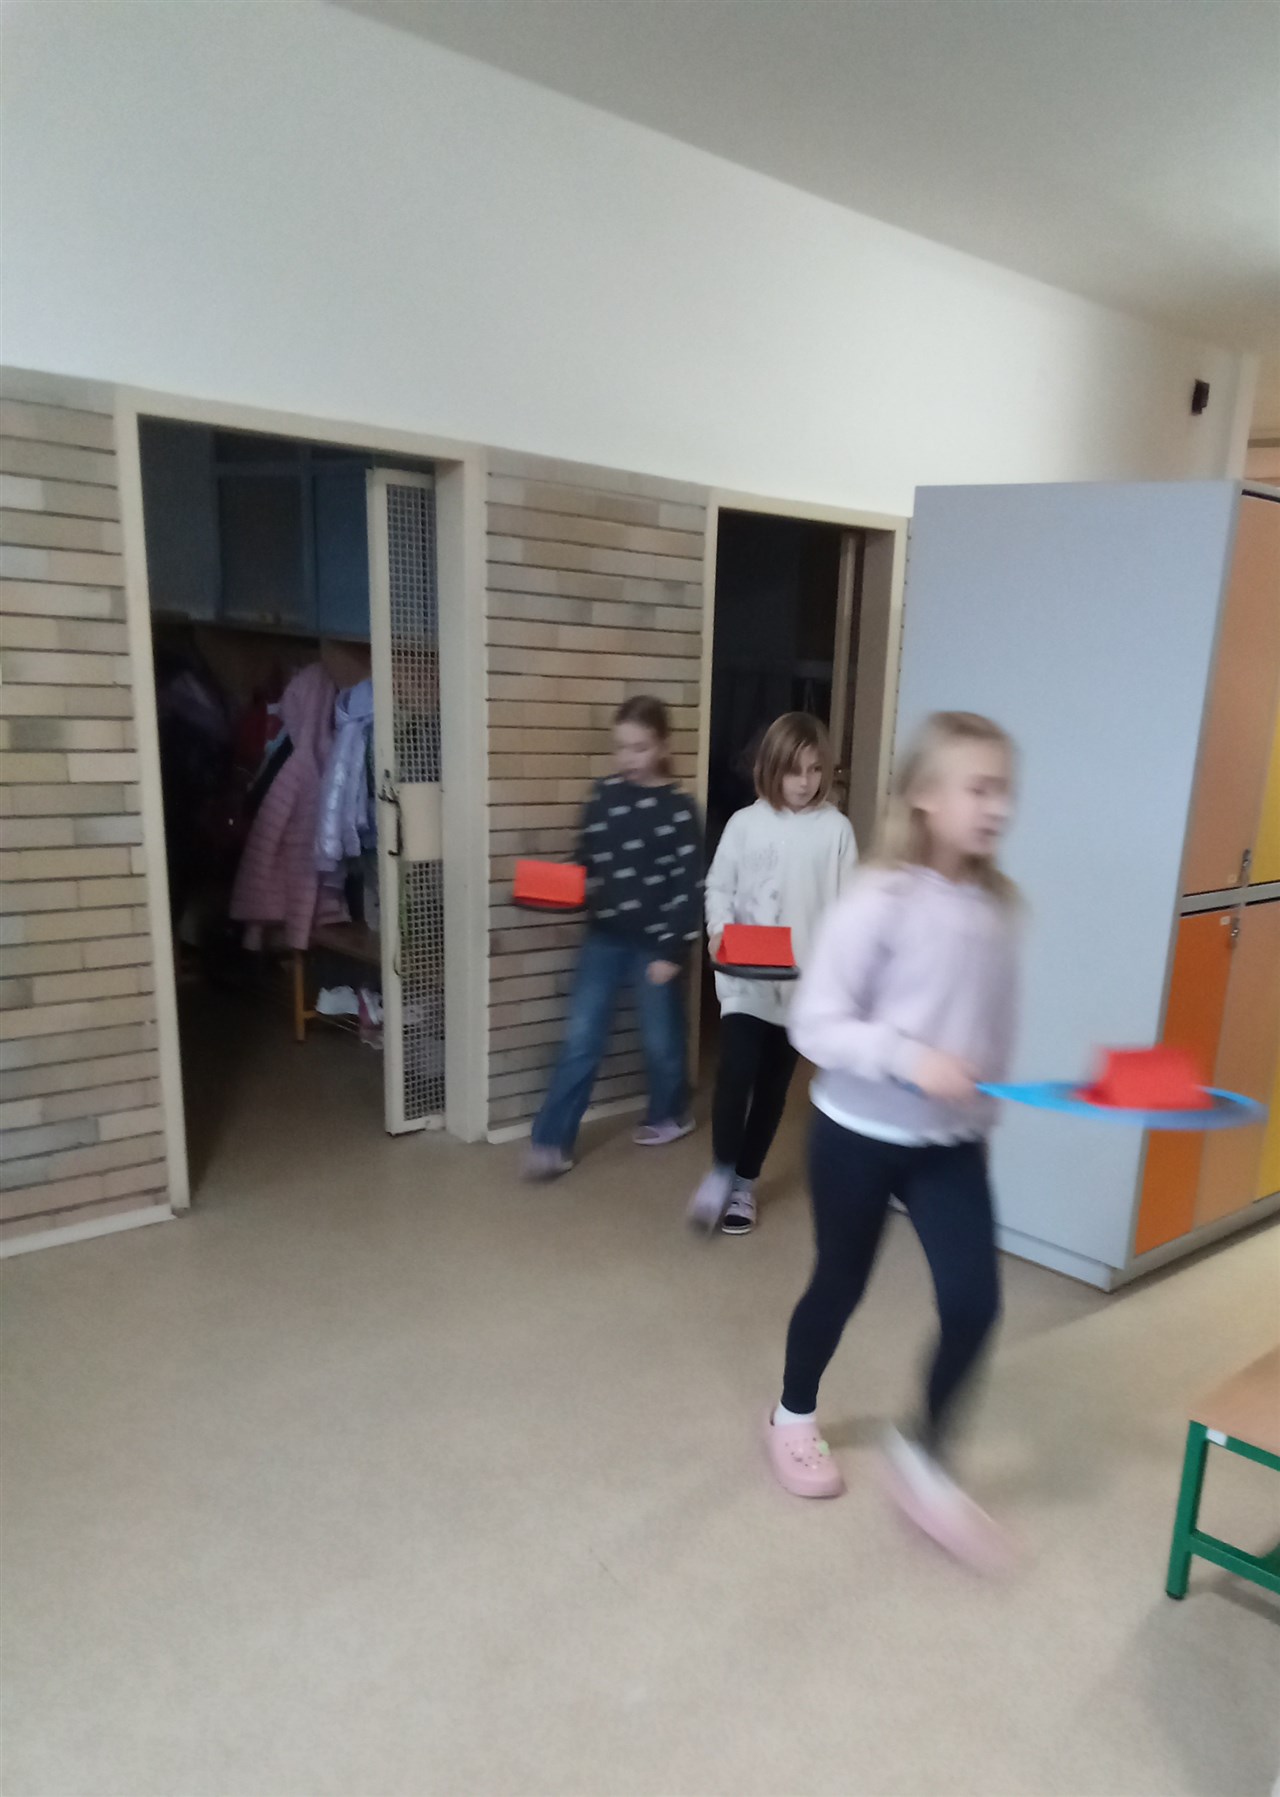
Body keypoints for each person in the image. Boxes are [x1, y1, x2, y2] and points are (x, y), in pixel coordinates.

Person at [765, 710, 1020, 1570]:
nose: (997, 806)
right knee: (840, 1282)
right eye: (978, 788)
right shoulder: (879, 898)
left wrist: (981, 1113)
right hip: (857, 1132)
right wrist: (910, 1058)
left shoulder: (997, 909)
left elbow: (992, 1030)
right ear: (924, 795)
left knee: (976, 1303)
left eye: (1004, 790)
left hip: (950, 1143)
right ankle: (792, 1413)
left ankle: (923, 1456)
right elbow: (815, 1022)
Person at [687, 713, 857, 1235]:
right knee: (735, 1072)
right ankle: (720, 1170)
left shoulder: (836, 831)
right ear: (769, 769)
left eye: (815, 769)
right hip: (745, 979)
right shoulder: (744, 825)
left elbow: (849, 910)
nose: (805, 782)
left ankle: (744, 1183)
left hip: (801, 989)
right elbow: (719, 886)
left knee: (772, 1087)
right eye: (793, 770)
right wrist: (720, 929)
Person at [524, 695, 702, 1180]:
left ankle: (671, 1113)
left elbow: (689, 888)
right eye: (621, 747)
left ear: (663, 747)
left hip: (656, 945)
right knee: (581, 1036)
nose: (628, 758)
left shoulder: (680, 810)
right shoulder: (603, 796)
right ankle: (551, 1142)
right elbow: (585, 859)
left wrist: (672, 951)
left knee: (662, 1040)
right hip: (603, 936)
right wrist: (558, 887)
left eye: (639, 748)